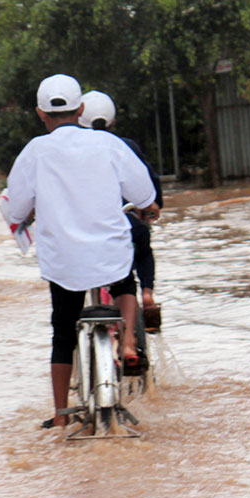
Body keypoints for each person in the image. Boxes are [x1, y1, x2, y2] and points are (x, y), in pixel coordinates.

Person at [4, 74, 159, 429]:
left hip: (64, 263)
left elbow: (15, 210)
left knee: (62, 331)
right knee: (125, 279)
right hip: (110, 255)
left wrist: (28, 211)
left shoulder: (34, 152)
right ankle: (128, 340)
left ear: (41, 113)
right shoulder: (109, 145)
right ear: (82, 108)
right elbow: (144, 193)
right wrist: (149, 208)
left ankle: (60, 417)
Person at [79, 90, 163, 328]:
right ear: (112, 120)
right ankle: (147, 293)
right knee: (142, 248)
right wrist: (150, 210)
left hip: (83, 233)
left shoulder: (72, 152)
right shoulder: (125, 146)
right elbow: (151, 186)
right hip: (126, 226)